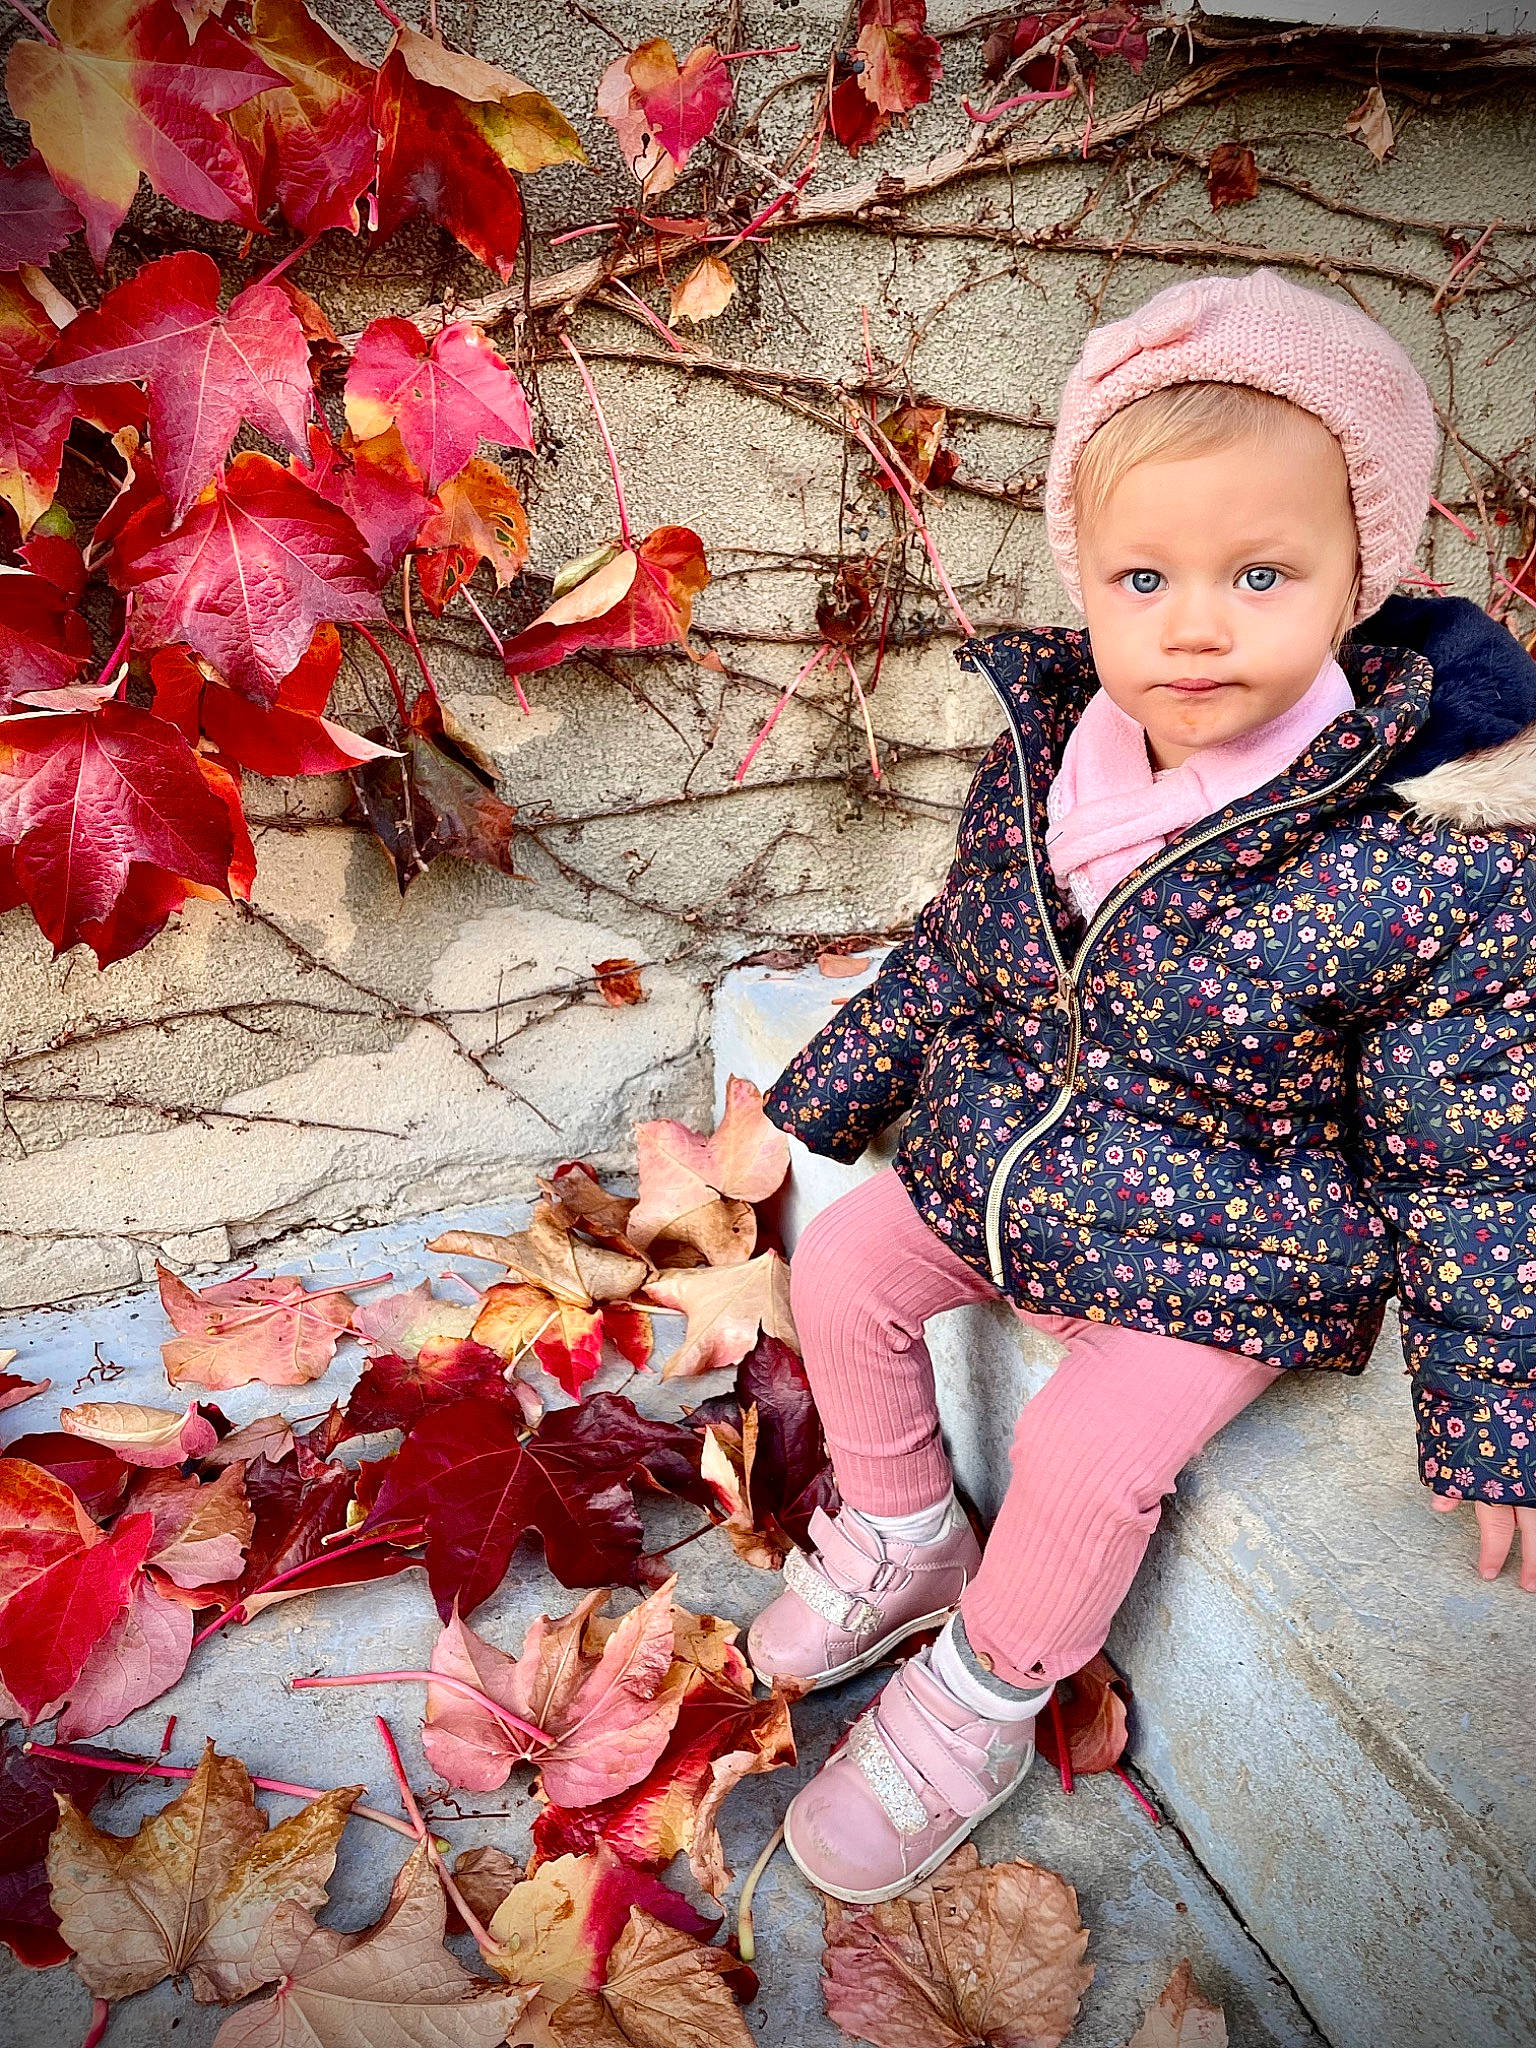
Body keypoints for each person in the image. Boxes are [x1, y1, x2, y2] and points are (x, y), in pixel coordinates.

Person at [748, 266, 1536, 1907]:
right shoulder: (1050, 756)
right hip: (1020, 1167)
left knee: (1090, 1457)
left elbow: (1476, 1154)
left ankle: (981, 1694)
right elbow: (957, 952)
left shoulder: (1424, 850)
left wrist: (1493, 1410)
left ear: (1356, 581)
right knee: (842, 1260)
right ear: (1083, 583)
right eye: (1145, 575)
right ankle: (902, 1531)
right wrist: (823, 1095)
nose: (1194, 623)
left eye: (1261, 572)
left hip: (1230, 1245)